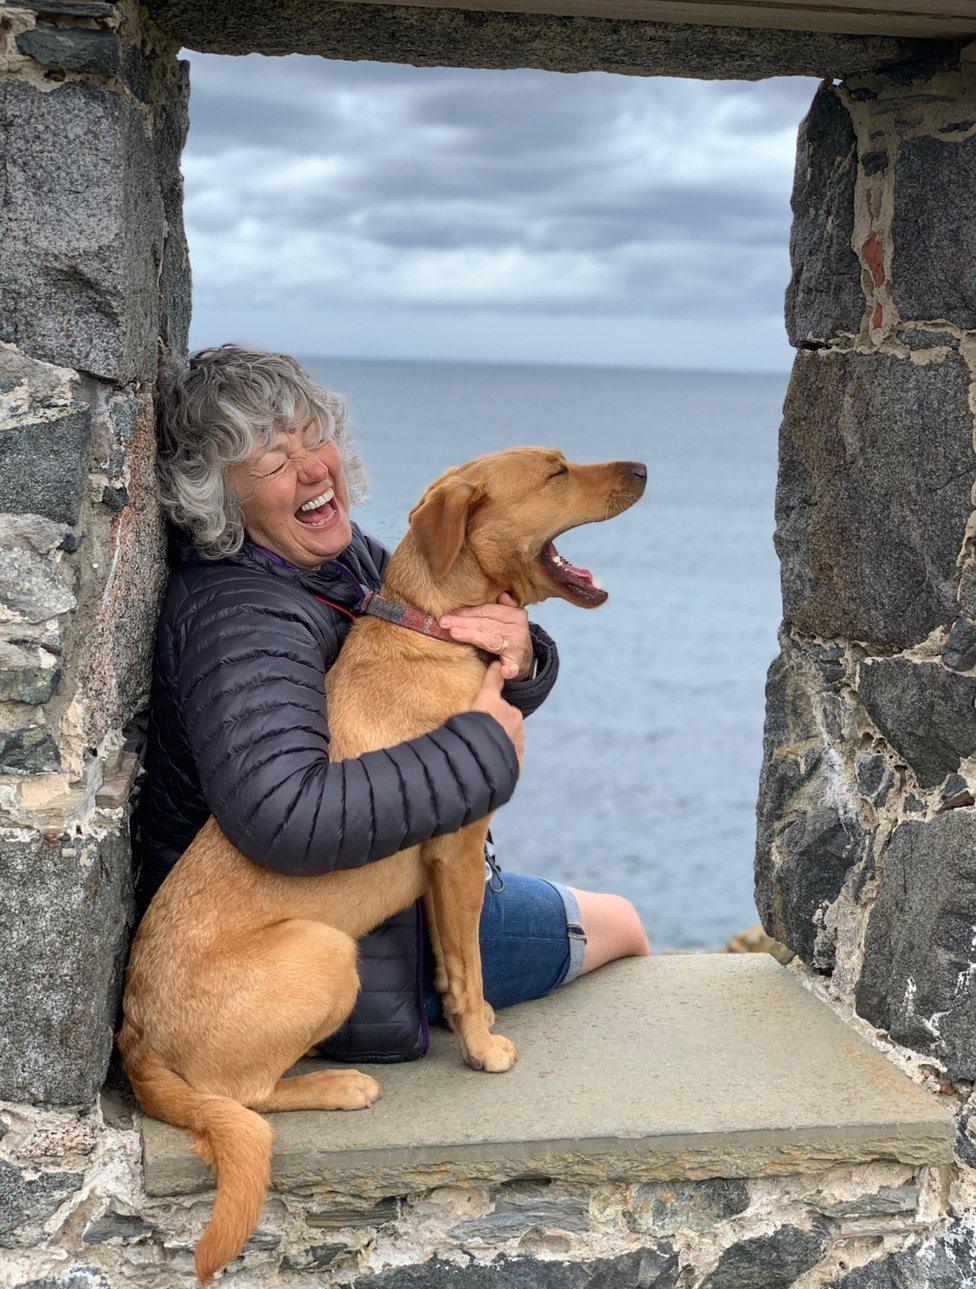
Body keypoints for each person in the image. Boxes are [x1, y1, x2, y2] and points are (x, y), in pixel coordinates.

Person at [136, 343, 650, 1063]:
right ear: (222, 497)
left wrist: (521, 653)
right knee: (625, 924)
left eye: (315, 437)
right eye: (276, 462)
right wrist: (480, 754)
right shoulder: (240, 621)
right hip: (357, 955)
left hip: (391, 914)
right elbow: (286, 815)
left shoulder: (345, 564)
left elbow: (434, 680)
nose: (314, 466)